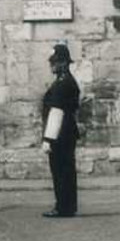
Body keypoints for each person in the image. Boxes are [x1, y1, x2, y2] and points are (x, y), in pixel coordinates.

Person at [40, 42, 81, 218]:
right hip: (68, 132)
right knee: (67, 169)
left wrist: (48, 139)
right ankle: (68, 206)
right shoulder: (68, 81)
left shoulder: (61, 85)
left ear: (64, 63)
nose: (52, 65)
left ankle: (62, 207)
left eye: (55, 62)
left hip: (60, 134)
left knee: (60, 170)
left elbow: (56, 112)